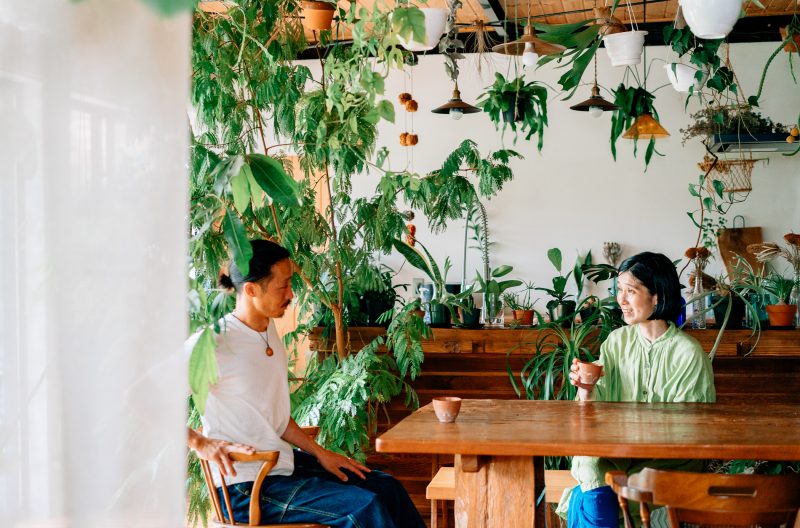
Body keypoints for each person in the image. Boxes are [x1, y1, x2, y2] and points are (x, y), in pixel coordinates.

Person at [186, 239, 425, 528]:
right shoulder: (213, 342)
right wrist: (201, 443)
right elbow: (144, 402)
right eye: (283, 286)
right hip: (246, 488)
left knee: (386, 488)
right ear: (251, 290)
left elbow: (278, 420)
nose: (291, 294)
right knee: (364, 508)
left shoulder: (266, 329)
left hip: (280, 467)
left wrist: (322, 454)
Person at [556, 251, 716, 528]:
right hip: (619, 460)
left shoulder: (688, 353)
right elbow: (593, 412)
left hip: (666, 466)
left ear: (657, 296)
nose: (621, 299)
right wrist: (586, 389)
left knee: (585, 495)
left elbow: (690, 431)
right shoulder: (616, 342)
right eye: (619, 290)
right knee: (589, 463)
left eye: (631, 291)